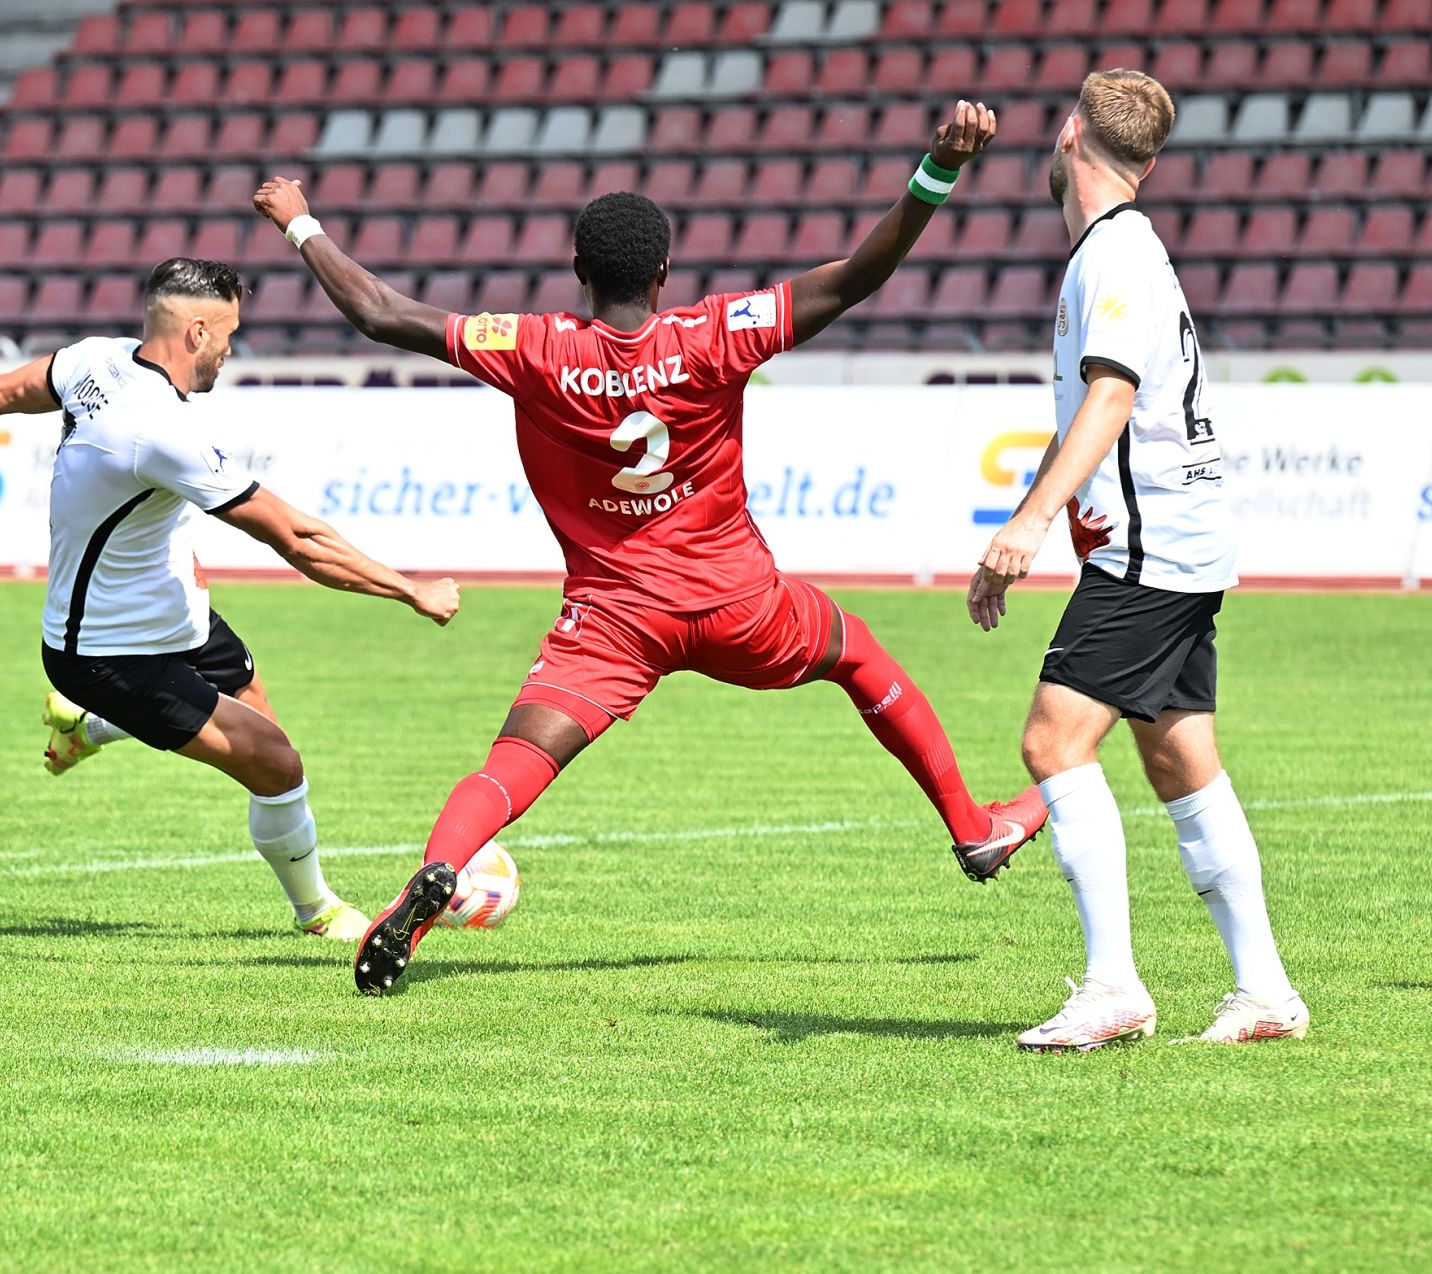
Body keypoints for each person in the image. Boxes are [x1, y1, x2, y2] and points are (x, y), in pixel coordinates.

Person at [254, 100, 1047, 996]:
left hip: (614, 620)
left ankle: (435, 872)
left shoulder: (533, 348)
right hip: (739, 603)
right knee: (858, 656)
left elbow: (378, 311)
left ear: (579, 272)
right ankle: (971, 827)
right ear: (664, 273)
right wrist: (938, 171)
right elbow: (858, 277)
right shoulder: (716, 333)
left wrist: (301, 223)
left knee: (515, 761)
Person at [0, 258, 461, 942]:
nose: (231, 349)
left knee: (262, 726)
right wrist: (409, 589)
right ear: (197, 332)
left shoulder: (96, 359)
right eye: (229, 333)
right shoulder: (160, 431)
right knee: (277, 762)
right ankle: (318, 911)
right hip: (106, 653)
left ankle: (85, 730)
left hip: (177, 613)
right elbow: (297, 538)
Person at [969, 71, 1308, 1050]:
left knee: (1053, 744)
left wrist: (1032, 524)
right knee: (1180, 762)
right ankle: (1265, 992)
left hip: (1147, 547)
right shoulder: (1118, 249)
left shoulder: (1114, 255)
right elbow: (1088, 409)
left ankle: (1113, 987)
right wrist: (1023, 519)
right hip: (1179, 541)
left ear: (1069, 134)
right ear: (1149, 164)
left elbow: (1112, 399)